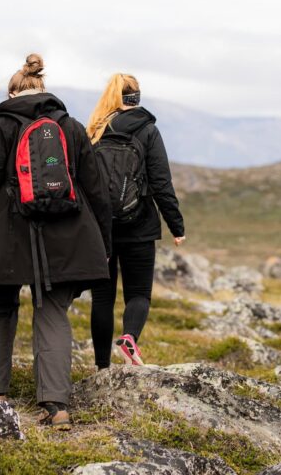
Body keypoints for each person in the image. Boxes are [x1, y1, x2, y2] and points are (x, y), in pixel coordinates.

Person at [0, 53, 111, 426]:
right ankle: (56, 406)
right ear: (43, 87)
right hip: (64, 234)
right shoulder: (70, 126)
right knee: (52, 311)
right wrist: (103, 243)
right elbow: (97, 189)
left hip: (7, 236)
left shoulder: (1, 125)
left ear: (12, 92)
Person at [87, 73, 185, 368]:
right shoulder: (148, 131)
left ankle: (102, 367)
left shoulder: (96, 129)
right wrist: (176, 226)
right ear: (137, 97)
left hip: (101, 228)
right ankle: (129, 337)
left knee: (102, 299)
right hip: (139, 226)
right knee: (139, 293)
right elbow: (161, 183)